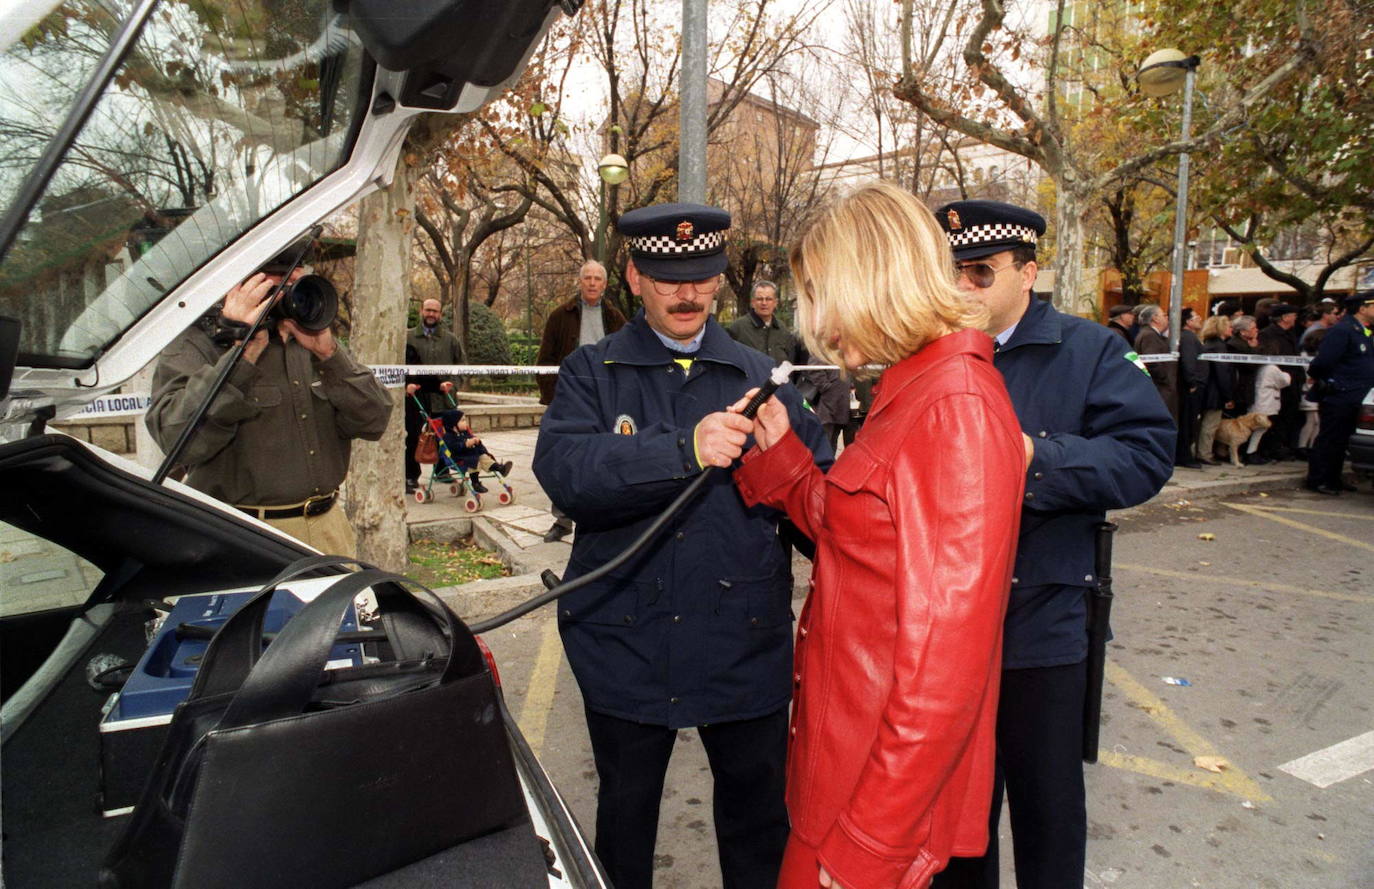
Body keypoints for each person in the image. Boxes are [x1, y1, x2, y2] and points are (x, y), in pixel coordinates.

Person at [719, 183, 1026, 889]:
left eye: (821, 295)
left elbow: (945, 674)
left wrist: (867, 847)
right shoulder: (914, 388)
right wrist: (785, 456)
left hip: (873, 804)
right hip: (844, 767)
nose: (816, 323)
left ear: (873, 282)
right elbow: (859, 534)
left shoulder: (955, 409)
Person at [532, 202, 832, 889]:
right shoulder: (592, 370)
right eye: (668, 277)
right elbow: (565, 471)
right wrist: (684, 448)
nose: (688, 292)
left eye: (701, 276)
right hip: (624, 646)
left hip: (743, 647)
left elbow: (826, 510)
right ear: (633, 277)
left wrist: (788, 454)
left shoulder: (764, 375)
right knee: (624, 827)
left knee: (759, 831)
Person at [930, 199, 1175, 889]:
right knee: (957, 819)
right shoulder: (930, 350)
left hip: (1042, 621)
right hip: (947, 629)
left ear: (1028, 271)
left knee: (1047, 812)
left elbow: (1147, 454)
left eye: (979, 272)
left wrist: (1035, 457)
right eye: (949, 272)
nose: (961, 289)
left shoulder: (1088, 349)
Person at [146, 246, 392, 554]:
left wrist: (330, 355)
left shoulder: (311, 341)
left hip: (329, 529)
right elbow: (178, 441)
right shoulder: (196, 343)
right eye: (270, 287)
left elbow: (374, 421)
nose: (282, 300)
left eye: (291, 287)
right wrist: (241, 352)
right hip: (240, 537)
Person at [535, 259, 627, 542]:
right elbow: (544, 362)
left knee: (605, 457)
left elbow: (627, 356)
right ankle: (562, 521)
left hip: (606, 399)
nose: (591, 283)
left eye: (597, 279)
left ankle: (603, 515)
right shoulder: (560, 316)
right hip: (570, 397)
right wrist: (556, 395)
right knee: (563, 457)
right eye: (587, 277)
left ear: (604, 284)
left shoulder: (615, 318)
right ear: (580, 281)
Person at [1304, 292, 1374, 495]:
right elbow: (1322, 363)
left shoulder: (1362, 331)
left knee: (1342, 441)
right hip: (1341, 395)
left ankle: (1333, 478)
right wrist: (1331, 383)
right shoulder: (1343, 331)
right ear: (1362, 308)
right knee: (1330, 439)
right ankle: (1318, 480)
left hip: (1357, 396)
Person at [405, 298, 463, 492]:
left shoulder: (451, 339)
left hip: (443, 398)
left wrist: (453, 386)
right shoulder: (408, 338)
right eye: (428, 310)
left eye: (435, 311)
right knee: (413, 438)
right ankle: (411, 476)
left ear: (440, 314)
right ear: (422, 311)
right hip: (416, 399)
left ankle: (442, 471)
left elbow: (462, 367)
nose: (431, 314)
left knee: (443, 436)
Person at [1257, 303, 1302, 460]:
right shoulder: (1268, 334)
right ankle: (1268, 448)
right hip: (1277, 380)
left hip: (1291, 380)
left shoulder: (1291, 334)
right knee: (1274, 418)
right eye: (1293, 315)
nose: (1296, 318)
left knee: (1288, 416)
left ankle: (1280, 446)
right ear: (1284, 317)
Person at [726, 280, 807, 366]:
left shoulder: (783, 330)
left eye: (768, 299)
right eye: (760, 299)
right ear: (752, 302)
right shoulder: (738, 328)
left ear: (775, 303)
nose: (764, 303)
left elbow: (791, 362)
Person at [1197, 315, 1236, 464]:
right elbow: (1223, 373)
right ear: (1222, 329)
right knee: (1210, 425)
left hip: (1206, 390)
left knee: (1203, 424)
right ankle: (1205, 454)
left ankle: (1200, 451)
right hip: (1215, 392)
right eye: (1229, 326)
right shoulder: (1220, 346)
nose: (1231, 329)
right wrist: (1228, 396)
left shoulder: (1207, 344)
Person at [1134, 305, 1177, 422]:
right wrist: (1165, 379)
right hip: (1159, 390)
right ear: (1155, 318)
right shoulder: (1149, 335)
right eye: (1164, 315)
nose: (1167, 318)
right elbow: (1152, 362)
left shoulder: (1150, 334)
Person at [1175, 307, 1205, 468]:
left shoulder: (1191, 337)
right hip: (1190, 389)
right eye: (1196, 317)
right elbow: (1188, 362)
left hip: (1192, 387)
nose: (1200, 318)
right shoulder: (1188, 338)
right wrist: (1192, 383)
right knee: (1187, 422)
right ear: (1188, 321)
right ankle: (1183, 456)